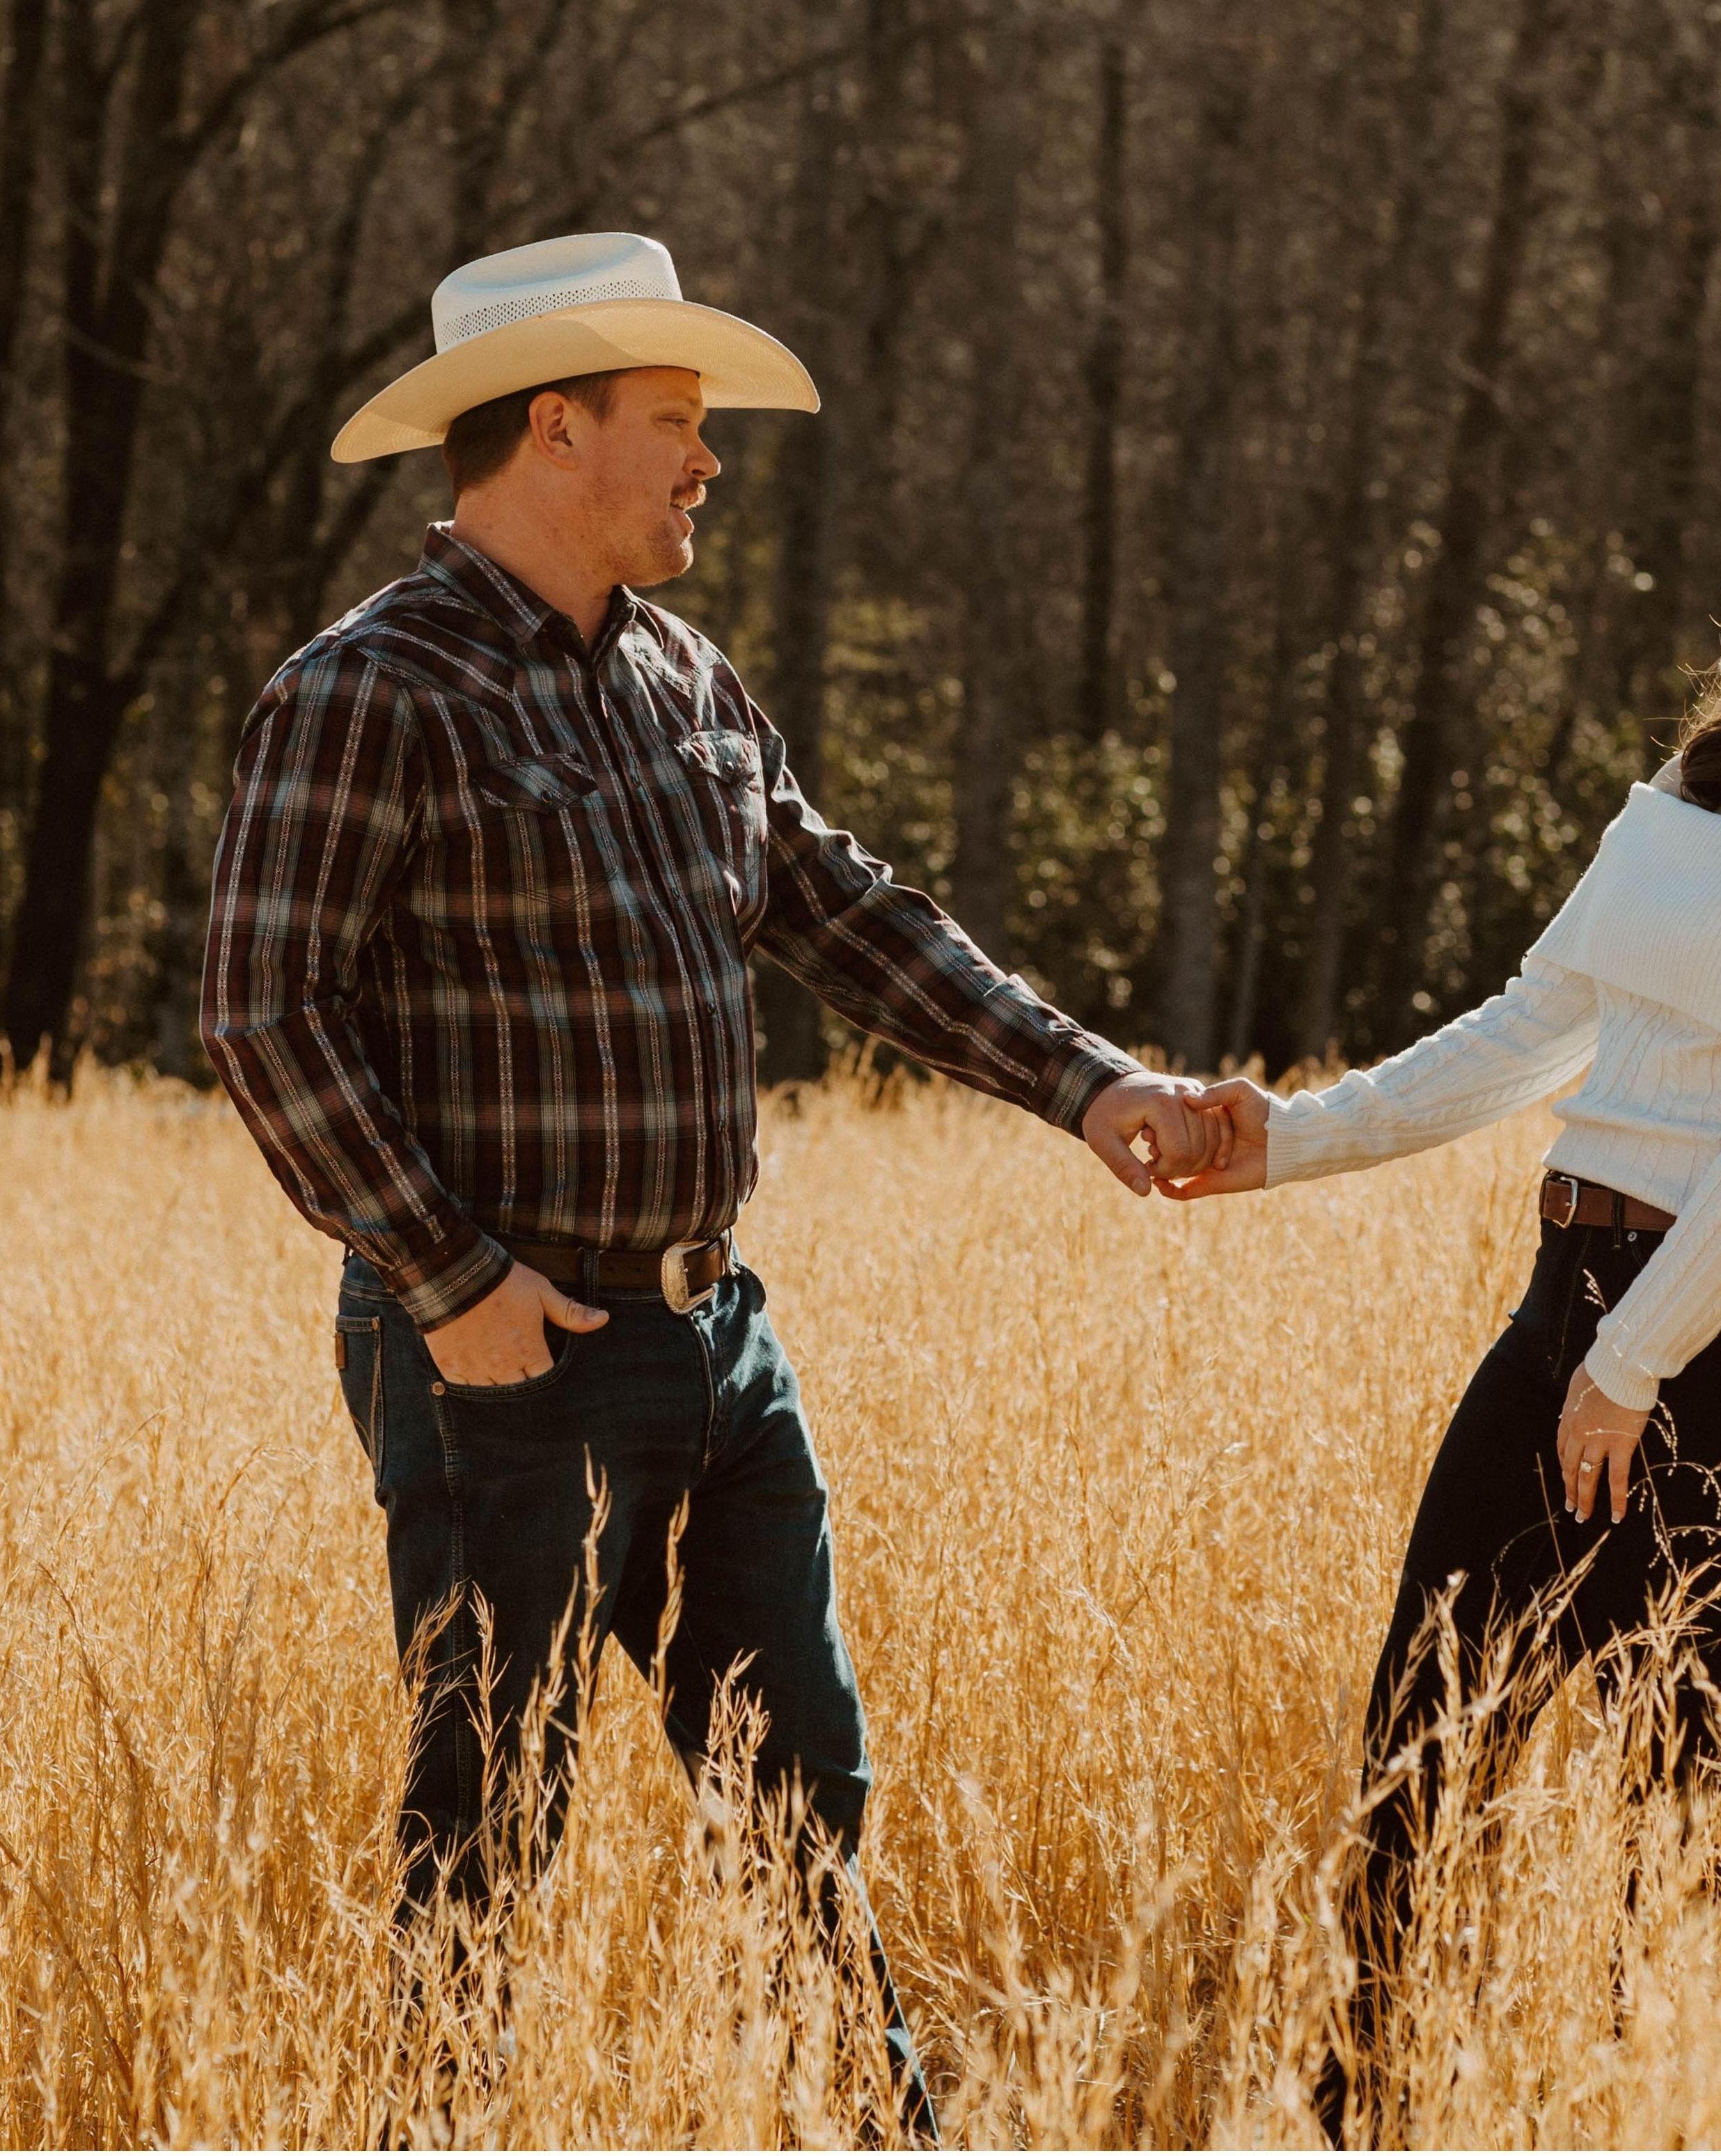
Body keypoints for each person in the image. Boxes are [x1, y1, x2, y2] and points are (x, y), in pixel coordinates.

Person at [201, 232, 1224, 2141]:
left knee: (802, 1806)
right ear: (558, 427)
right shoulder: (371, 691)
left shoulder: (677, 675)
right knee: (486, 1842)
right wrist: (448, 1279)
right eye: (676, 424)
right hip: (507, 1359)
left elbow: (844, 913)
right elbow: (264, 1011)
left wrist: (1089, 1090)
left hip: (718, 1341)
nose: (708, 461)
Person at [1165, 459, 1721, 2143]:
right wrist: (1283, 1146)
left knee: (1680, 1785)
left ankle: (1642, 2107)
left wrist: (1637, 1357)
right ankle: (1366, 2109)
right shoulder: (1701, 786)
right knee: (1422, 1736)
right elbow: (1531, 1025)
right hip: (1578, 1299)